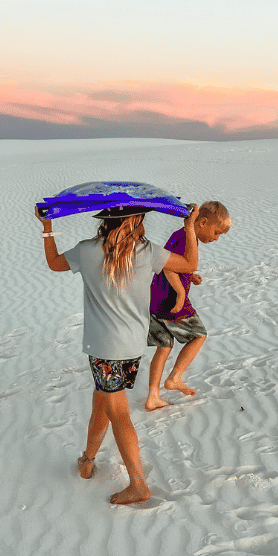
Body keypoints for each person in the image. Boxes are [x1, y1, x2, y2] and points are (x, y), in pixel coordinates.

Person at [38, 202, 199, 505]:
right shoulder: (147, 250)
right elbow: (190, 264)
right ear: (136, 220)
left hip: (104, 349)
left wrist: (47, 230)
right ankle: (87, 460)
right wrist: (189, 227)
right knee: (103, 400)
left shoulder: (87, 250)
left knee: (118, 411)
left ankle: (138, 485)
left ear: (105, 221)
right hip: (132, 346)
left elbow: (54, 264)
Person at [145, 200, 231, 411]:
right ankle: (175, 378)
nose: (216, 238)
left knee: (164, 346)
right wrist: (181, 293)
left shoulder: (180, 234)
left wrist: (190, 276)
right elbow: (167, 267)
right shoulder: (187, 236)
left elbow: (176, 262)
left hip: (155, 297)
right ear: (202, 222)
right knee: (199, 335)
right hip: (170, 300)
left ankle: (153, 396)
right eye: (216, 232)